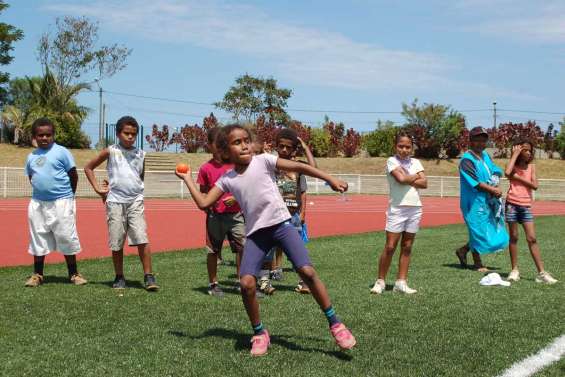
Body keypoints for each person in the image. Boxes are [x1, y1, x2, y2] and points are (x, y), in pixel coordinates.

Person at [175, 124, 356, 356]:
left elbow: (299, 166)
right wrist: (187, 178)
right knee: (246, 283)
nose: (244, 145)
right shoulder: (227, 179)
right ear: (225, 151)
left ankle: (336, 324)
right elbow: (203, 202)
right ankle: (260, 332)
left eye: (246, 140)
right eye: (237, 142)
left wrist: (329, 179)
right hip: (257, 234)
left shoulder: (263, 160)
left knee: (307, 272)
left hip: (282, 226)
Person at [84, 116, 159, 291]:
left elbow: (140, 177)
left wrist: (138, 191)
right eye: (126, 133)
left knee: (142, 238)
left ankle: (148, 276)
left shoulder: (141, 154)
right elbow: (88, 167)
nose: (130, 137)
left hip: (135, 201)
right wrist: (98, 188)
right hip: (115, 202)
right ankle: (119, 276)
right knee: (117, 241)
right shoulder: (110, 151)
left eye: (133, 134)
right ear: (118, 134)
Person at [24, 118, 87, 287]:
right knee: (38, 237)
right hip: (38, 203)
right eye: (41, 135)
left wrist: (69, 196)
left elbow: (73, 175)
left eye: (48, 135)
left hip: (62, 202)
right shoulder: (31, 156)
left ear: (53, 135)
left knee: (66, 236)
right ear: (34, 137)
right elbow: (32, 177)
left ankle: (73, 273)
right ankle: (37, 275)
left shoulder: (62, 152)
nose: (44, 138)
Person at [258, 129, 316, 295]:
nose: (284, 150)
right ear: (276, 147)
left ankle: (304, 282)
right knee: (267, 250)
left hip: (293, 216)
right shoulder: (270, 163)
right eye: (281, 146)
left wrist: (305, 148)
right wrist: (262, 149)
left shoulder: (297, 167)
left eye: (288, 147)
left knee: (297, 251)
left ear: (294, 149)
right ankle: (264, 281)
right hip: (271, 215)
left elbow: (312, 172)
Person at [370, 131, 427, 295]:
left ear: (412, 148)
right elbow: (400, 180)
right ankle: (380, 281)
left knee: (407, 246)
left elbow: (425, 183)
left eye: (407, 147)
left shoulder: (416, 162)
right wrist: (415, 176)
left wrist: (408, 175)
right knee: (390, 246)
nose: (404, 149)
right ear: (395, 146)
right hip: (397, 208)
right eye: (401, 146)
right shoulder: (391, 161)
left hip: (415, 208)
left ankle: (401, 282)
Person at [197, 127, 246, 297]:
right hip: (215, 216)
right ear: (209, 145)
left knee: (242, 248)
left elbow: (245, 187)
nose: (220, 146)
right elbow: (203, 191)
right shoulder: (205, 169)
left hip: (236, 215)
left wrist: (237, 199)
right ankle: (213, 283)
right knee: (213, 251)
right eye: (216, 143)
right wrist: (209, 204)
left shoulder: (235, 164)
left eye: (223, 143)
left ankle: (242, 282)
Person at [504, 139, 557, 284]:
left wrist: (517, 178)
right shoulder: (513, 165)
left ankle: (541, 273)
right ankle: (514, 270)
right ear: (518, 151)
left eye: (530, 150)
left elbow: (535, 186)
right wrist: (514, 155)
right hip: (511, 205)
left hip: (525, 206)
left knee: (532, 238)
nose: (528, 152)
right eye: (524, 150)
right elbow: (507, 172)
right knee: (513, 237)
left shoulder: (532, 167)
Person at [456, 126, 509, 270]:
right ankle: (477, 263)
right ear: (470, 141)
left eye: (483, 140)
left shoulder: (485, 156)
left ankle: (463, 251)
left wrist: (496, 175)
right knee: (477, 230)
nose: (480, 143)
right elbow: (475, 183)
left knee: (486, 229)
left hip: (486, 200)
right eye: (477, 140)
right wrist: (493, 189)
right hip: (472, 202)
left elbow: (494, 169)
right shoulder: (466, 160)